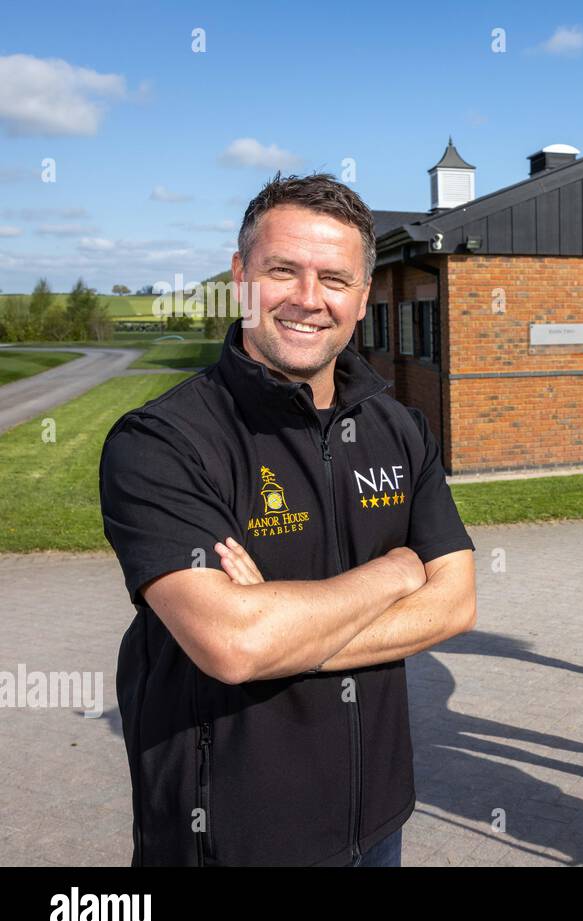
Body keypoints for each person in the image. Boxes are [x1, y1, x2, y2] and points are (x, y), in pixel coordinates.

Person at [99, 173, 476, 866]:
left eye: (335, 278)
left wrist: (279, 630)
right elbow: (233, 645)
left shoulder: (402, 429)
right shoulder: (162, 442)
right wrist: (395, 571)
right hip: (231, 841)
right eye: (282, 270)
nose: (309, 299)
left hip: (378, 823)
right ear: (241, 275)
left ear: (363, 296)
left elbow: (455, 604)